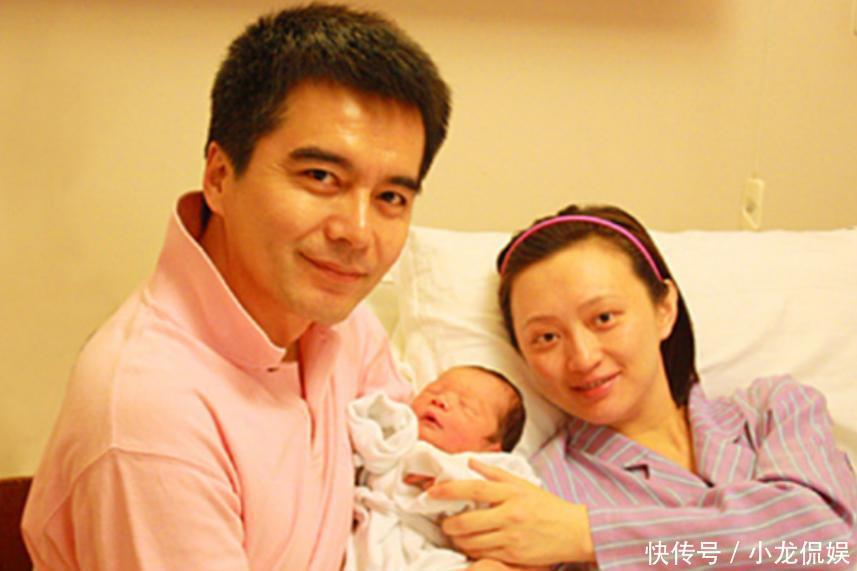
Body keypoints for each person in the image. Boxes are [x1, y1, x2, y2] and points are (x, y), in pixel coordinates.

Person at [22, 4, 451, 570]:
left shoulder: (344, 322)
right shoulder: (151, 417)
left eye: (391, 197)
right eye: (321, 177)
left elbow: (406, 476)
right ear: (220, 177)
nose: (357, 232)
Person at [429, 205, 857, 570]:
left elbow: (827, 540)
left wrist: (588, 535)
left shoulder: (775, 410)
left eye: (604, 318)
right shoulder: (538, 489)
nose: (583, 358)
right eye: (546, 337)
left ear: (664, 308)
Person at [347, 366, 538, 570]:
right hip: (372, 532)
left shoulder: (488, 468)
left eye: (466, 406)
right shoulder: (400, 429)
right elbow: (365, 431)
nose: (441, 401)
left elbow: (522, 509)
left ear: (492, 448)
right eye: (434, 390)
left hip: (434, 551)